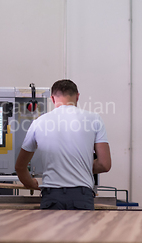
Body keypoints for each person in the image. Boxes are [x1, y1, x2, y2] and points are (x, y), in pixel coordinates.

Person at [15, 79, 111, 210]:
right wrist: (82, 166)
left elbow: (20, 167)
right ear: (77, 97)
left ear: (52, 99)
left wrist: (31, 183)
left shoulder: (39, 122)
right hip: (81, 197)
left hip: (51, 196)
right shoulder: (95, 119)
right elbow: (105, 164)